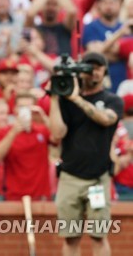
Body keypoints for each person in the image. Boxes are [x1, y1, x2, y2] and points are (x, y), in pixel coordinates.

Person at [49, 52, 123, 256]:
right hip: (70, 176)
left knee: (99, 235)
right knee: (71, 237)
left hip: (98, 178)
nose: (93, 73)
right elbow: (57, 133)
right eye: (89, 68)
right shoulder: (66, 100)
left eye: (98, 68)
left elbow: (106, 119)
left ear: (104, 71)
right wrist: (55, 97)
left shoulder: (112, 99)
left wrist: (77, 98)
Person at [0, 93, 53, 200]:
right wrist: (14, 132)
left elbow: (57, 138)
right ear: (15, 109)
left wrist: (43, 117)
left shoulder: (42, 130)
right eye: (21, 107)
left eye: (29, 107)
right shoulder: (5, 132)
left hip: (41, 195)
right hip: (14, 195)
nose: (25, 111)